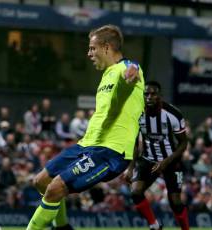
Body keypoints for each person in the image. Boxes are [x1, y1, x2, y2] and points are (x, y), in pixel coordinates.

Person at [26, 24, 144, 230]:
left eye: (92, 48)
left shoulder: (128, 67)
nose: (89, 53)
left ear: (107, 48)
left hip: (110, 150)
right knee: (41, 181)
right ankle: (62, 227)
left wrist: (130, 77)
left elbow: (130, 76)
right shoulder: (106, 74)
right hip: (87, 145)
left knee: (55, 188)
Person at [125, 81, 189, 230]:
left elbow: (183, 143)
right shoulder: (137, 113)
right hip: (147, 158)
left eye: (153, 94)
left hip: (171, 161)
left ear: (159, 95)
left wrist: (166, 161)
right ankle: (154, 225)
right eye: (146, 94)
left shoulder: (173, 114)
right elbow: (134, 144)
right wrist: (130, 167)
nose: (149, 97)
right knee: (135, 192)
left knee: (175, 202)